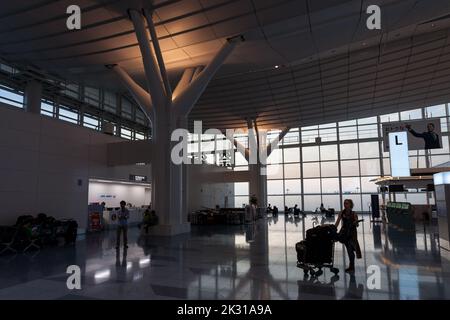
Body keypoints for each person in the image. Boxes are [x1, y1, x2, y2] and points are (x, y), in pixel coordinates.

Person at [335, 199, 362, 273]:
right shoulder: (341, 213)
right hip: (344, 233)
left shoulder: (354, 213)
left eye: (347, 203)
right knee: (349, 248)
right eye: (344, 203)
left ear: (350, 204)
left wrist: (356, 223)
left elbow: (357, 224)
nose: (345, 205)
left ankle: (351, 266)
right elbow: (337, 222)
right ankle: (351, 266)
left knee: (350, 249)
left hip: (352, 233)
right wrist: (334, 229)